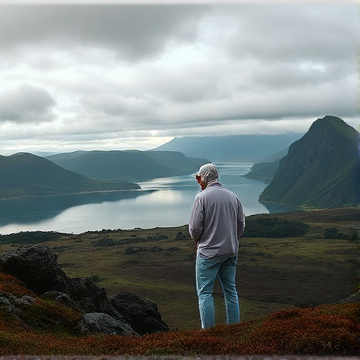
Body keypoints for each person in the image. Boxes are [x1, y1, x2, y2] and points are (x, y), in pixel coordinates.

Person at [189, 163, 245, 329]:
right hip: (231, 251)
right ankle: (234, 329)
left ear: (204, 178)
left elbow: (194, 228)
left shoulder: (202, 198)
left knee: (205, 293)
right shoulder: (232, 196)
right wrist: (232, 240)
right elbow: (241, 224)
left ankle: (209, 334)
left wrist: (199, 240)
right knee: (230, 290)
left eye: (198, 178)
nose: (198, 181)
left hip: (208, 253)